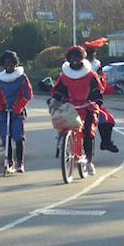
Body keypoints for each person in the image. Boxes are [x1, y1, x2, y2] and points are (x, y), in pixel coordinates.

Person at [50, 45, 102, 175]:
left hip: (87, 107)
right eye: (72, 58)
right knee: (65, 128)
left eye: (78, 58)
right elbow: (58, 90)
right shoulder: (64, 76)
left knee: (89, 134)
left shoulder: (90, 75)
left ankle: (89, 161)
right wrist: (55, 100)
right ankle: (67, 147)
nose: (75, 60)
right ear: (68, 59)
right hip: (71, 107)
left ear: (82, 59)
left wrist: (95, 100)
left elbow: (97, 91)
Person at [0, 50, 33, 173]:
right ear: (3, 64)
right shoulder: (0, 79)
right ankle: (9, 162)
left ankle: (20, 163)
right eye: (6, 63)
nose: (9, 65)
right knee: (6, 137)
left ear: (15, 63)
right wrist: (0, 107)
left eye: (11, 62)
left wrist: (18, 107)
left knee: (18, 137)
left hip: (17, 111)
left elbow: (27, 94)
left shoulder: (22, 78)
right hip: (3, 112)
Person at [82, 37, 119, 153]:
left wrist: (109, 90)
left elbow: (101, 85)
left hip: (92, 100)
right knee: (104, 119)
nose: (91, 55)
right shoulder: (76, 66)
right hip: (78, 100)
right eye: (90, 53)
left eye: (92, 53)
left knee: (107, 119)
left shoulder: (97, 67)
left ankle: (106, 142)